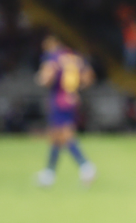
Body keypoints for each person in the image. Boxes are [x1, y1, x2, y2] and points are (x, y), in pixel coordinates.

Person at [36, 35, 96, 187]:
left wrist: (40, 79)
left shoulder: (53, 57)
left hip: (59, 99)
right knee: (56, 136)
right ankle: (49, 173)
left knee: (65, 135)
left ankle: (85, 166)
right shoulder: (75, 57)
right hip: (71, 99)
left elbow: (46, 78)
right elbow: (89, 77)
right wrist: (76, 90)